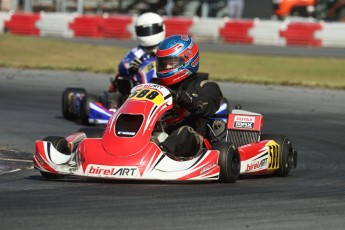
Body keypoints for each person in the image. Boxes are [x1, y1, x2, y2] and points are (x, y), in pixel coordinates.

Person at [155, 34, 223, 159]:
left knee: (184, 132)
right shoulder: (155, 86)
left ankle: (159, 154)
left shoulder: (206, 86)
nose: (166, 67)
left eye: (171, 63)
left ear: (188, 59)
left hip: (192, 140)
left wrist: (189, 101)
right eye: (163, 63)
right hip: (158, 133)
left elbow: (208, 106)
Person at [109, 12, 166, 95]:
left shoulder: (167, 47)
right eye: (144, 31)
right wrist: (132, 67)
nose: (149, 33)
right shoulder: (137, 51)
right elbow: (123, 66)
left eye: (152, 29)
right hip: (138, 89)